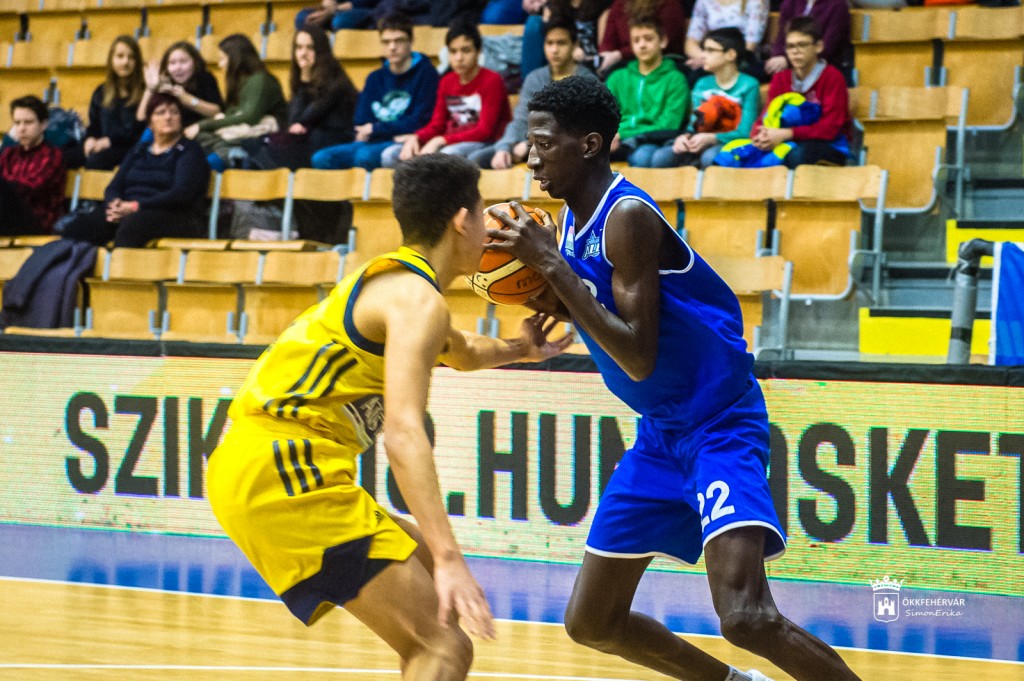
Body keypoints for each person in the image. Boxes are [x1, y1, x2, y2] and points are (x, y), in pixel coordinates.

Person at [485, 75, 862, 681]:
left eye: (544, 144)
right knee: (593, 622)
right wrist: (532, 287)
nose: (531, 158)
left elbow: (638, 354)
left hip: (717, 425)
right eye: (531, 144)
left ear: (589, 144)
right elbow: (595, 304)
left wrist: (552, 266)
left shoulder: (627, 216)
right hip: (660, 435)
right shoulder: (570, 226)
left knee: (746, 618)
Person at [206, 152, 572, 680]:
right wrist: (450, 557)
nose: (488, 227)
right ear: (461, 220)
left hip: (268, 465)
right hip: (282, 471)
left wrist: (521, 348)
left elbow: (463, 350)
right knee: (443, 646)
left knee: (431, 597)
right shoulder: (416, 300)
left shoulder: (399, 284)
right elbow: (402, 434)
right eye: (482, 212)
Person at [60, 93, 210, 248]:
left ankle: (118, 265)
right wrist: (115, 204)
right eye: (160, 112)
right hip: (131, 211)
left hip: (175, 215)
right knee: (78, 228)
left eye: (174, 112)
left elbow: (181, 194)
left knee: (132, 226)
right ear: (150, 123)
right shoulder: (139, 150)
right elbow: (114, 186)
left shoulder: (190, 151)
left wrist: (135, 206)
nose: (168, 117)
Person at [311, 12, 440, 171]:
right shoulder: (375, 77)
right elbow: (361, 120)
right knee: (322, 158)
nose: (392, 47)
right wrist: (382, 130)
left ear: (411, 41)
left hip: (401, 142)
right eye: (386, 42)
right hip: (374, 141)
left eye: (398, 40)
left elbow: (419, 121)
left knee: (364, 156)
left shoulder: (427, 74)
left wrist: (375, 129)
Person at [470, 18, 598, 169]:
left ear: (575, 45)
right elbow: (521, 120)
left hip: (570, 150)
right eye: (549, 43)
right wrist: (505, 147)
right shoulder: (535, 78)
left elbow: (579, 129)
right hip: (532, 146)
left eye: (561, 43)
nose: (554, 50)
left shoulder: (587, 81)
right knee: (477, 159)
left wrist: (531, 145)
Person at [382, 21, 511, 167]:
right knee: (391, 155)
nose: (459, 58)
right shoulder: (446, 81)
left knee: (445, 155)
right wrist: (417, 137)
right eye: (453, 51)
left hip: (484, 143)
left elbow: (484, 131)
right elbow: (437, 124)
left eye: (466, 50)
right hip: (450, 142)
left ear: (478, 51)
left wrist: (441, 140)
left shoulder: (492, 80)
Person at [246, 26, 359, 170]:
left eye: (310, 48)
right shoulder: (301, 80)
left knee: (268, 153)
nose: (303, 53)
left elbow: (309, 115)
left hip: (333, 139)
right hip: (308, 139)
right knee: (253, 144)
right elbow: (293, 120)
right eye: (299, 48)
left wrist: (304, 79)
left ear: (321, 51)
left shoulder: (336, 81)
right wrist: (302, 84)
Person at [645, 27, 760, 168]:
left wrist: (713, 138)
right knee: (661, 158)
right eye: (704, 50)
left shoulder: (749, 85)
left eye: (710, 50)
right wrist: (685, 137)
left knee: (710, 157)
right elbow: (694, 124)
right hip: (700, 140)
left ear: (730, 54)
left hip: (730, 143)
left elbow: (746, 132)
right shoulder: (702, 83)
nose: (703, 55)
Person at [750, 16, 850, 168]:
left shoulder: (833, 77)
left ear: (818, 46)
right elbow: (768, 114)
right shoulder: (780, 78)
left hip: (829, 145)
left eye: (802, 45)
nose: (795, 52)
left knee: (796, 155)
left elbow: (829, 129)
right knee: (741, 155)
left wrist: (787, 134)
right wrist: (760, 134)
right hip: (784, 140)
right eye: (790, 46)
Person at [188, 34, 288, 171]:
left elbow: (249, 117)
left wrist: (203, 125)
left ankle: (227, 155)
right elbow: (232, 114)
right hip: (237, 136)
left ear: (236, 59)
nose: (220, 65)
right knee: (196, 140)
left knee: (204, 148)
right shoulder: (240, 82)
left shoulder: (260, 80)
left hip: (260, 138)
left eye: (222, 59)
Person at [604, 16, 689, 167]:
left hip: (657, 139)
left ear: (663, 41)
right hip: (616, 140)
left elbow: (670, 124)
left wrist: (622, 133)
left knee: (642, 157)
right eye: (636, 40)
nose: (642, 45)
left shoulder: (675, 79)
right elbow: (604, 115)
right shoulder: (617, 77)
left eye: (648, 39)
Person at [74, 35, 146, 170]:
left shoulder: (145, 92)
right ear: (111, 60)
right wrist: (90, 139)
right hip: (103, 145)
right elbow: (94, 125)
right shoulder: (101, 91)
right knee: (67, 156)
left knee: (96, 161)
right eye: (120, 56)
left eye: (131, 57)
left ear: (137, 62)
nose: (125, 62)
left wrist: (110, 141)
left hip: (130, 148)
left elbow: (138, 131)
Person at [0, 96, 66, 235]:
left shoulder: (52, 155)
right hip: (8, 217)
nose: (21, 128)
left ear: (43, 124)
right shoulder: (9, 154)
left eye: (28, 122)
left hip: (38, 222)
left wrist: (6, 187)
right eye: (17, 123)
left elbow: (32, 188)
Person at [137, 41, 223, 130]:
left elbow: (217, 112)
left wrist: (187, 99)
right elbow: (141, 118)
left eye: (183, 61)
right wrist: (150, 89)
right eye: (172, 63)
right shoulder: (164, 83)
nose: (178, 67)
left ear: (195, 63)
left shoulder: (205, 78)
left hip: (199, 132)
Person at [521, 0, 615, 77]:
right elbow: (551, 39)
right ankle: (530, 84)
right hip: (560, 54)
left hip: (588, 60)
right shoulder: (553, 5)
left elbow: (603, 48)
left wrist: (582, 54)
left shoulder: (601, 4)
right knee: (533, 23)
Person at [684, 0, 769, 83]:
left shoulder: (756, 1)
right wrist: (706, 58)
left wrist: (715, 59)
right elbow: (691, 43)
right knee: (688, 76)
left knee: (698, 78)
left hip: (743, 60)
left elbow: (750, 46)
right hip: (712, 57)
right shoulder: (704, 1)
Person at [597, 0, 686, 76]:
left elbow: (665, 39)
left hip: (662, 63)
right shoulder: (619, 4)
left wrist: (620, 54)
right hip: (622, 66)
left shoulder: (670, 4)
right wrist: (604, 57)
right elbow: (608, 42)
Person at [765, 0, 850, 78]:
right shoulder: (790, 3)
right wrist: (778, 57)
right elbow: (781, 39)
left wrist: (787, 60)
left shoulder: (838, 5)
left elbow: (828, 48)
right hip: (789, 68)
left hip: (824, 71)